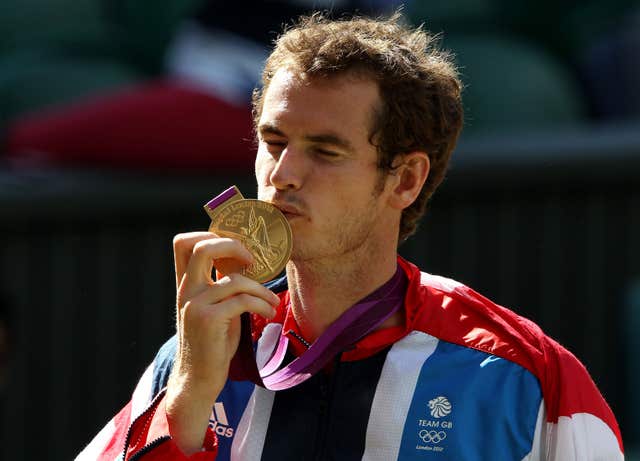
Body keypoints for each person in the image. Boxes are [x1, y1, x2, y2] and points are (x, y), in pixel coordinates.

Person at [77, 12, 624, 461]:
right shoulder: (191, 360)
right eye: (273, 141)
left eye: (326, 151)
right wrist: (190, 400)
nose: (283, 174)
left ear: (405, 179)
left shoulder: (523, 376)